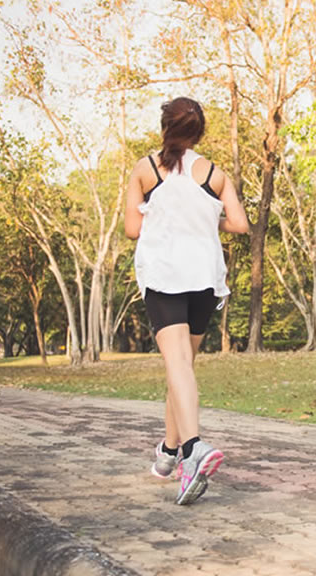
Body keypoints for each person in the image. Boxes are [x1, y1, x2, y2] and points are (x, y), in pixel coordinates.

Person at [124, 97, 249, 505]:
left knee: (177, 365)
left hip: (165, 275)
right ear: (200, 132)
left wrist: (165, 216)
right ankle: (166, 454)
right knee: (183, 369)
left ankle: (192, 449)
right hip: (204, 279)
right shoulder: (215, 174)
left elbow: (131, 228)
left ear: (165, 127)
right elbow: (240, 224)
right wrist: (205, 214)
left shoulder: (145, 169)